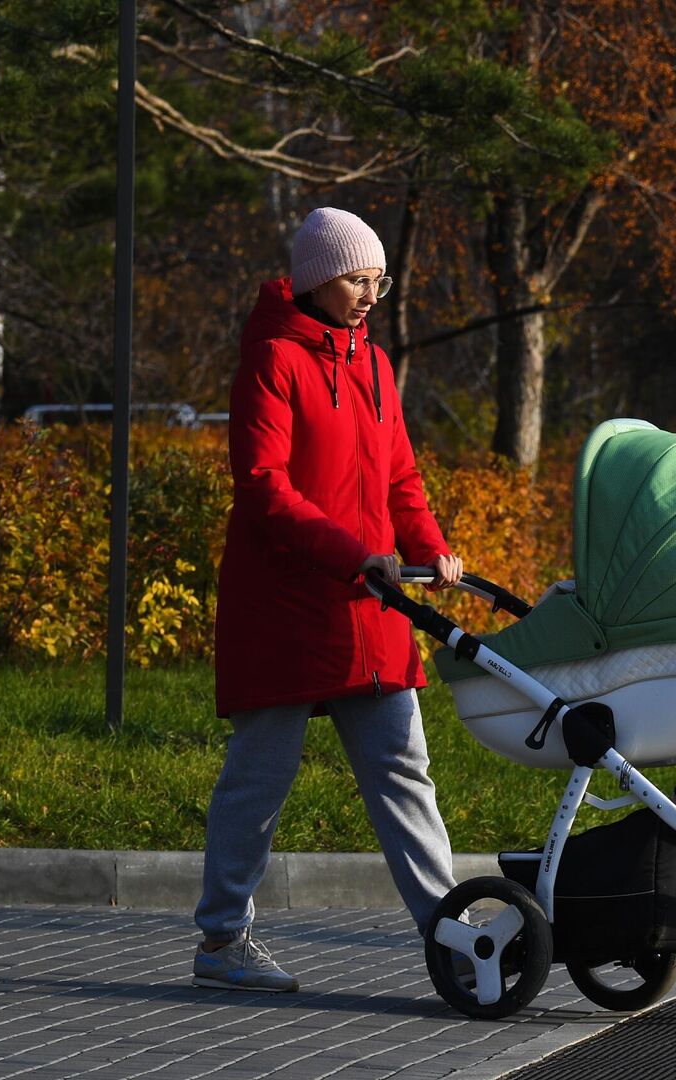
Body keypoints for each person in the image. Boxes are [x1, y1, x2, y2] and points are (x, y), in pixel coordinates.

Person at [196, 207, 464, 992]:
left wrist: (428, 548)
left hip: (368, 607)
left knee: (404, 771)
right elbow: (263, 489)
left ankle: (451, 936)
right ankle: (220, 942)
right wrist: (357, 557)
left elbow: (400, 479)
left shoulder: (377, 367)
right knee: (259, 777)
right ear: (316, 279)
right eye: (356, 278)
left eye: (378, 280)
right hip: (285, 607)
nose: (370, 294)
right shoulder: (272, 360)